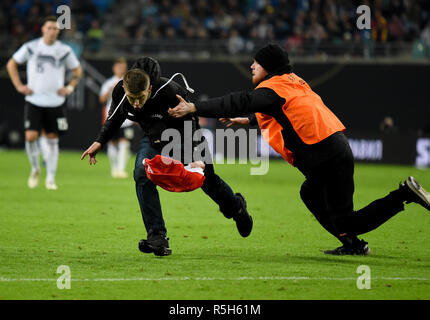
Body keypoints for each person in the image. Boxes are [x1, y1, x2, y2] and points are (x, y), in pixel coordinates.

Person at [168, 43, 430, 255]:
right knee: (310, 194)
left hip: (324, 155)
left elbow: (241, 100)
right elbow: (284, 111)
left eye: (256, 63)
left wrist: (195, 107)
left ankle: (403, 195)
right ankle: (352, 244)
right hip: (335, 146)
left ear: (268, 67)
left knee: (347, 221)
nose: (251, 66)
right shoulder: (293, 82)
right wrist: (248, 119)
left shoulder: (271, 89)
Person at [81, 57, 252, 256]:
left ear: (150, 89)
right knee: (141, 173)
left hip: (186, 136)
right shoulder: (120, 90)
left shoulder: (171, 90)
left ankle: (237, 208)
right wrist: (99, 141)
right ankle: (157, 237)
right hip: (154, 139)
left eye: (140, 98)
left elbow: (192, 122)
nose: (135, 104)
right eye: (131, 98)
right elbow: (114, 117)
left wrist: (196, 155)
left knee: (208, 181)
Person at [6, 16, 82, 190]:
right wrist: (19, 85)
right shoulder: (31, 47)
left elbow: (77, 70)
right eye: (49, 27)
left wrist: (69, 88)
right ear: (42, 29)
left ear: (58, 31)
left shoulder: (64, 50)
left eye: (55, 28)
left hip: (55, 102)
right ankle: (35, 169)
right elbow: (11, 64)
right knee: (30, 136)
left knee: (52, 138)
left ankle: (50, 178)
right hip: (35, 100)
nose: (52, 31)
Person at [99, 57, 134, 178]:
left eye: (123, 67)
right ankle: (114, 168)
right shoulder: (108, 82)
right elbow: (102, 99)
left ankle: (121, 169)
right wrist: (111, 89)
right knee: (112, 143)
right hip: (113, 117)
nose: (121, 69)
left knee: (125, 143)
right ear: (114, 68)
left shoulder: (129, 81)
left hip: (127, 118)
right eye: (119, 67)